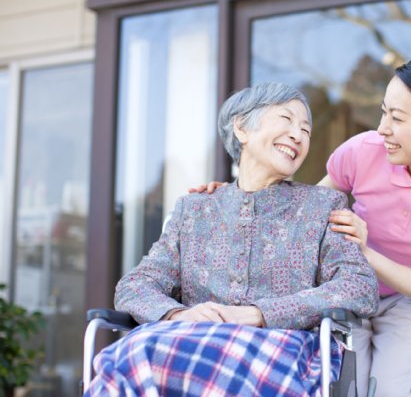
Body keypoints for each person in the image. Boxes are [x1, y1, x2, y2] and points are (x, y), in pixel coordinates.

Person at [193, 54, 411, 396]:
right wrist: (236, 196)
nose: (382, 128)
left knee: (388, 389)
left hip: (410, 301)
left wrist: (364, 250)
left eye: (397, 118)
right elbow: (300, 215)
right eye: (383, 111)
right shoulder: (364, 151)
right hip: (347, 289)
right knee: (348, 386)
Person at [86, 82, 379, 397]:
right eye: (286, 119)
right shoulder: (194, 209)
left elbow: (359, 287)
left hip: (281, 351)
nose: (298, 135)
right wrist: (178, 315)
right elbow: (134, 286)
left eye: (306, 130)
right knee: (131, 352)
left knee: (217, 359)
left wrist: (260, 315)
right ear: (241, 128)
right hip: (187, 346)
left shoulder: (322, 206)